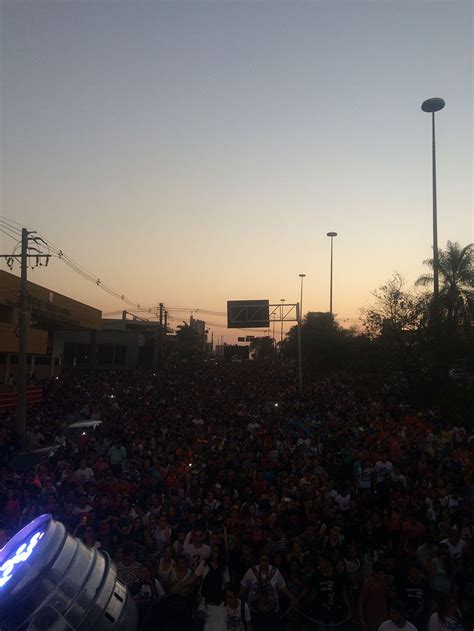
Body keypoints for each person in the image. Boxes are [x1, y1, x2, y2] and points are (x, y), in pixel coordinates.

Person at [240, 552, 297, 630]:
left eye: (266, 560)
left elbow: (282, 587)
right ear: (259, 561)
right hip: (256, 611)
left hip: (272, 610)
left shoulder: (275, 571)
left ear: (269, 561)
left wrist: (292, 598)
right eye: (262, 560)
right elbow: (243, 587)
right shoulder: (251, 571)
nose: (264, 562)